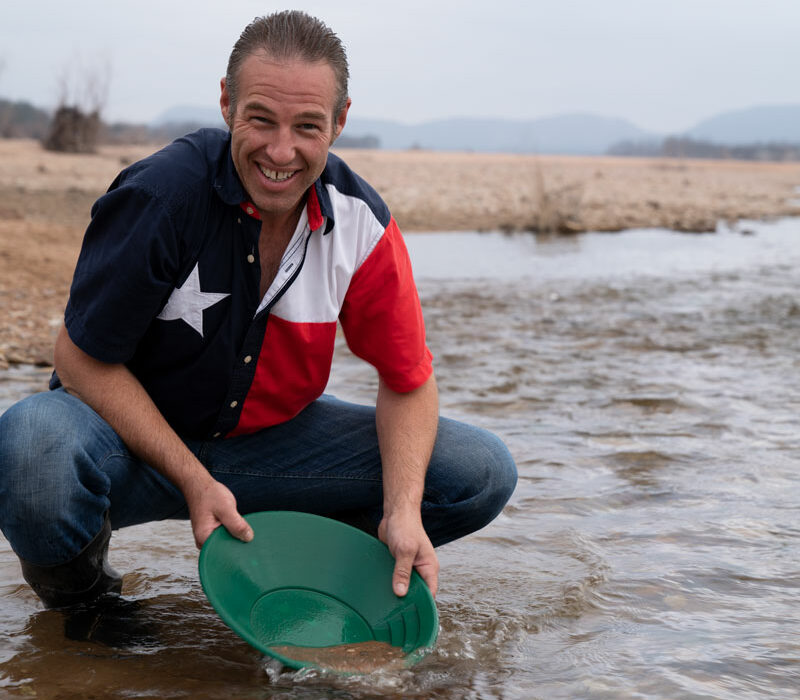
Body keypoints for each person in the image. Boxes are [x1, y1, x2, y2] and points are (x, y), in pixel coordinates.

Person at [0, 10, 516, 611]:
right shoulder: (160, 196)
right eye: (261, 120)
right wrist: (195, 482)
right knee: (31, 445)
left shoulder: (362, 225)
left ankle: (308, 581)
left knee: (479, 469)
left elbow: (408, 383)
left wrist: (403, 512)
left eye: (307, 126)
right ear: (226, 103)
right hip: (126, 444)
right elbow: (80, 360)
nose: (281, 151)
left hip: (273, 448)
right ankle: (90, 617)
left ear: (341, 120)